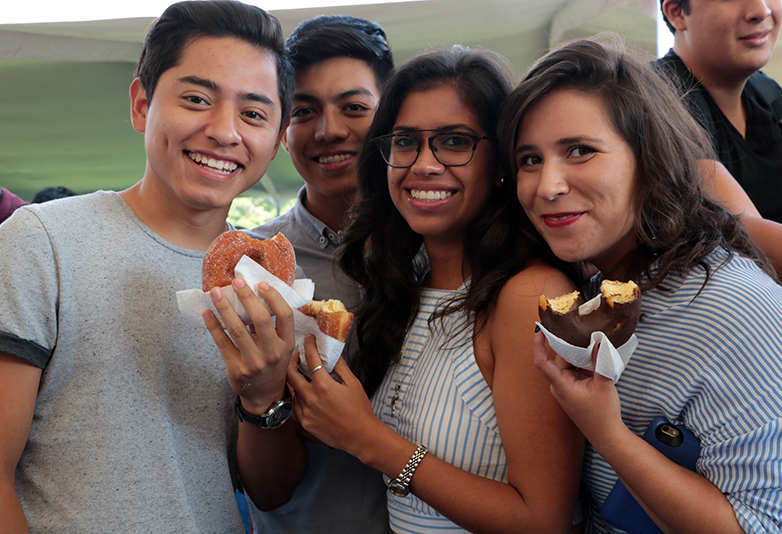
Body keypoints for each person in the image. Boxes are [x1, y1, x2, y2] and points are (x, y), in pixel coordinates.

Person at [0, 2, 300, 532]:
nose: (224, 131)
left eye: (253, 113)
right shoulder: (42, 241)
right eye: (196, 99)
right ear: (142, 103)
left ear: (277, 140)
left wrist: (263, 395)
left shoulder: (264, 280)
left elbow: (271, 493)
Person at [285, 46, 584, 533]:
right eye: (406, 141)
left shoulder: (527, 295)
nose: (423, 164)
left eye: (454, 141)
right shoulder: (405, 285)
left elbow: (541, 520)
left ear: (502, 162)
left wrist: (368, 439)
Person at [498, 39, 782, 533]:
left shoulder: (734, 309)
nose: (547, 186)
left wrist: (607, 432)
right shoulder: (597, 287)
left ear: (648, 158)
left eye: (580, 150)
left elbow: (758, 524)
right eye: (529, 159)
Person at [244, 15, 393, 534]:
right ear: (283, 129)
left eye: (354, 107)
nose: (329, 130)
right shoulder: (252, 265)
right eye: (304, 110)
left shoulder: (444, 253)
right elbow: (264, 491)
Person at [654, 0, 782, 223]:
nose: (761, 11)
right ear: (677, 12)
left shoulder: (767, 91)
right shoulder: (658, 100)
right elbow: (746, 233)